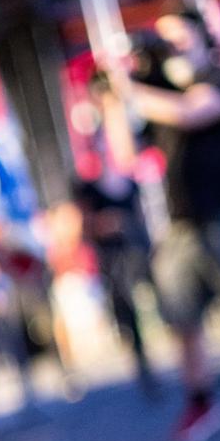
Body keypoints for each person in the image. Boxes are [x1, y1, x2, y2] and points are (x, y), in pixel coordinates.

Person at [106, 4, 220, 441]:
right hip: (183, 222)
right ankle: (201, 400)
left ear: (203, 36)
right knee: (180, 315)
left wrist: (130, 90)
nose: (170, 47)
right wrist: (111, 98)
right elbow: (126, 157)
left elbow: (191, 112)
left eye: (178, 36)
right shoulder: (156, 95)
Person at [73, 163, 157, 394]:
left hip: (136, 252)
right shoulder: (87, 188)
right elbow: (84, 227)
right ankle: (141, 363)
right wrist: (104, 224)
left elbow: (142, 216)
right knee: (126, 315)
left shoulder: (129, 181)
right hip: (112, 262)